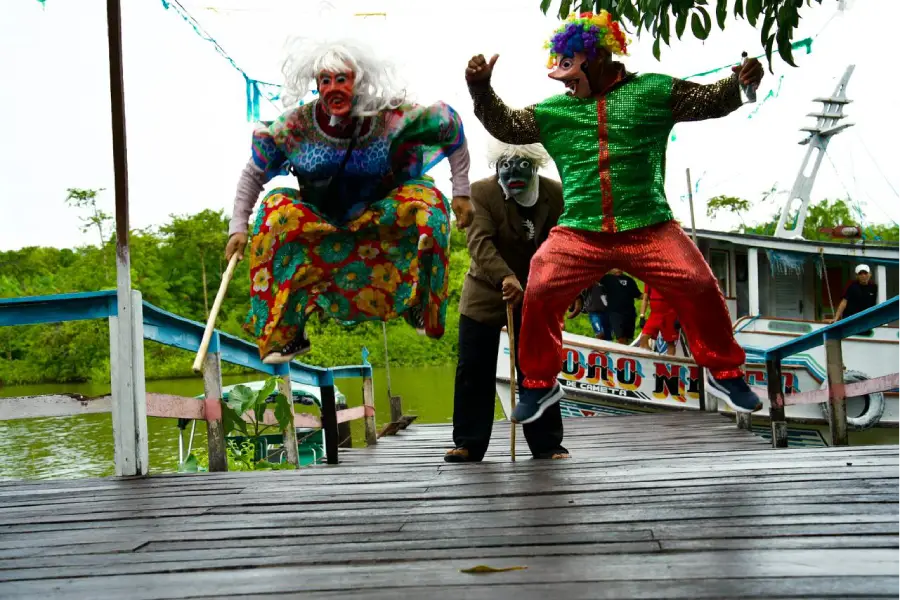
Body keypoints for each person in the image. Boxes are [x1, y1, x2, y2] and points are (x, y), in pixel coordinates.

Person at [464, 10, 765, 424]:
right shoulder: (554, 112)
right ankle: (539, 383)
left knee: (697, 282)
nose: (564, 79)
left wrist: (740, 83)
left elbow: (710, 100)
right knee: (541, 283)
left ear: (598, 57)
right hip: (581, 232)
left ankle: (725, 373)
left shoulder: (654, 91)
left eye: (570, 68)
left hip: (649, 226)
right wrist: (480, 88)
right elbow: (507, 124)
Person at [225, 39, 474, 364]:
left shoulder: (391, 117)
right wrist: (237, 227)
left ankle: (420, 305)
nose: (333, 89)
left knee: (430, 204)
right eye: (325, 81)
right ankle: (286, 334)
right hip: (322, 223)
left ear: (359, 81)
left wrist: (462, 192)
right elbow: (253, 173)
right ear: (316, 85)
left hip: (380, 221)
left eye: (341, 79)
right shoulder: (295, 126)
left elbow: (449, 129)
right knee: (275, 210)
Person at [447, 140, 569, 462]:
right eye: (505, 165)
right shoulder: (481, 193)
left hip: (535, 291)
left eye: (520, 165)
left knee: (536, 367)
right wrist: (506, 277)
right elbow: (480, 244)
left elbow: (567, 243)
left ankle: (548, 445)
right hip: (486, 291)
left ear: (535, 167)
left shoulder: (554, 194)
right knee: (473, 368)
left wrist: (571, 291)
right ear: (496, 167)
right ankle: (469, 443)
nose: (512, 172)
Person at [600, 269, 641, 344]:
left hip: (630, 313)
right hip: (615, 312)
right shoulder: (606, 278)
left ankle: (625, 354)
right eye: (615, 267)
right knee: (620, 337)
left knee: (628, 338)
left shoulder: (629, 280)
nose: (618, 269)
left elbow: (638, 294)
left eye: (619, 267)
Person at [638, 284, 678, 356]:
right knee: (643, 340)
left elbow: (680, 298)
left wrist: (679, 316)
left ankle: (669, 364)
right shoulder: (649, 279)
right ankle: (652, 359)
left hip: (670, 313)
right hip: (654, 314)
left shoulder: (672, 277)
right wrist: (642, 315)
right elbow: (645, 299)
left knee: (670, 342)